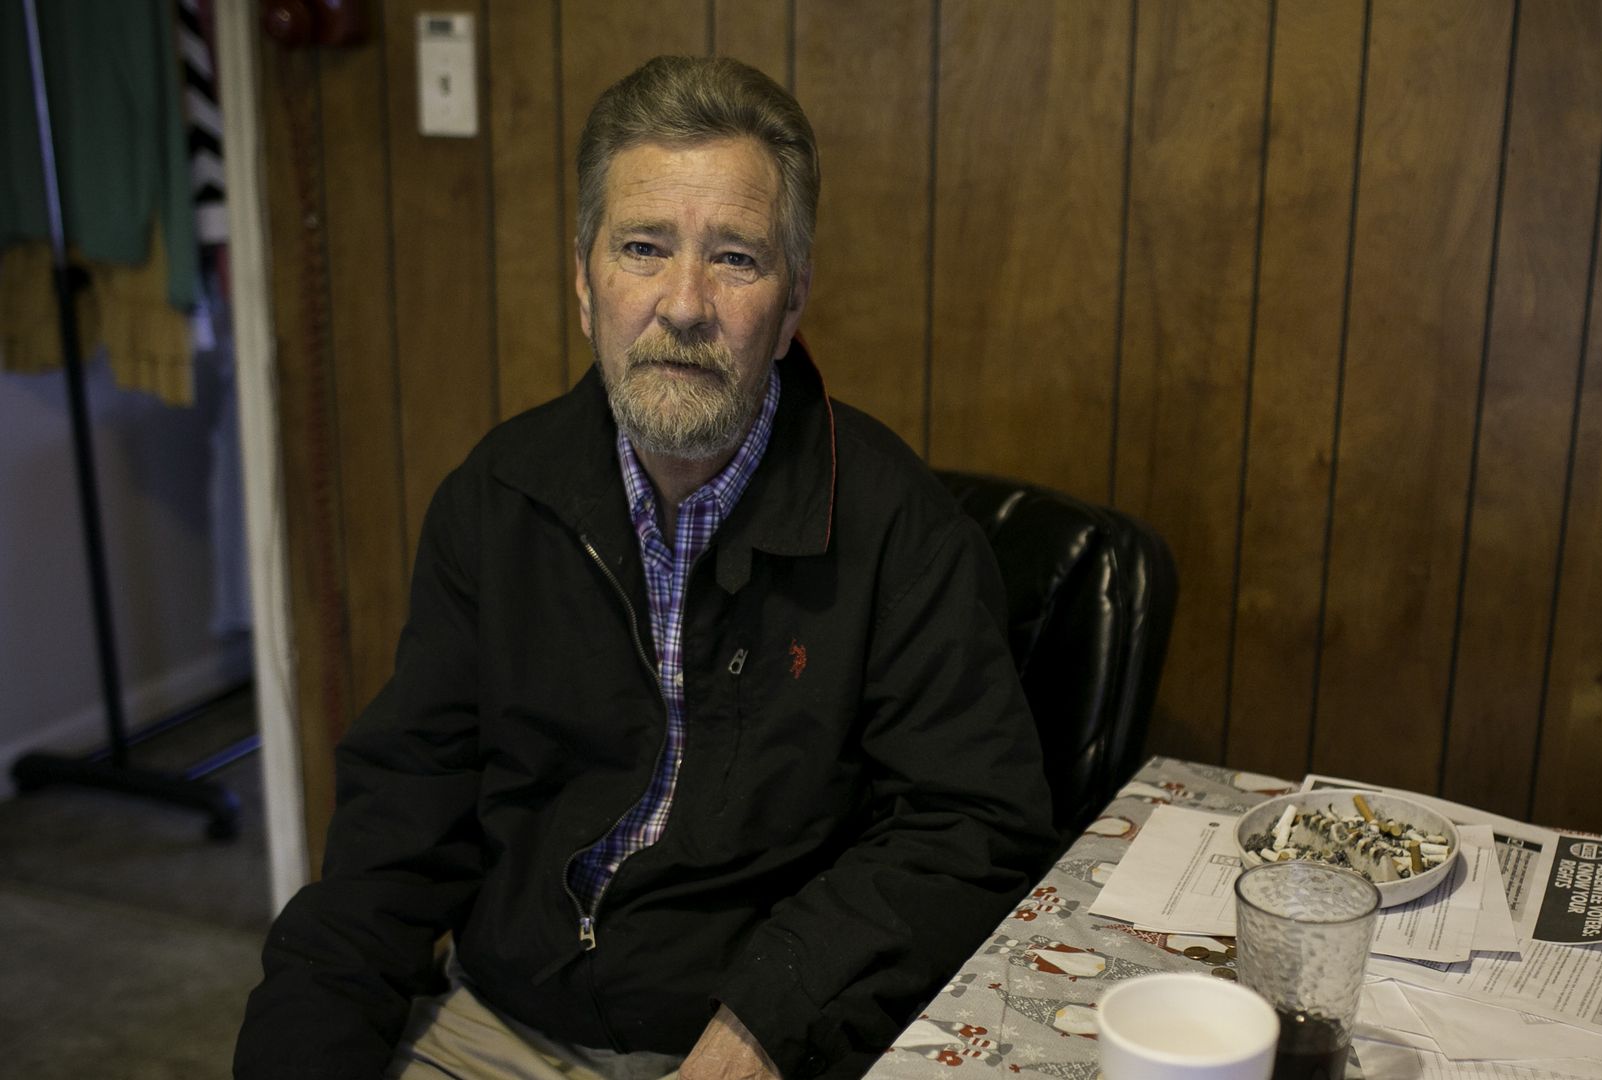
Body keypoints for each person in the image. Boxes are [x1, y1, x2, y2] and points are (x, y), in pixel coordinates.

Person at [234, 55, 1056, 1080]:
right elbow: (396, 832)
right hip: (504, 1023)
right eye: (641, 248)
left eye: (737, 260)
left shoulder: (901, 529)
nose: (683, 304)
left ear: (793, 303)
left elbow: (970, 824)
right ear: (583, 284)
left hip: (760, 1036)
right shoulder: (496, 501)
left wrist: (766, 1024)